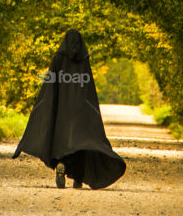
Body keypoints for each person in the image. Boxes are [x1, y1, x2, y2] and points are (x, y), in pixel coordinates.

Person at [11, 28, 126, 189]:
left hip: (62, 110)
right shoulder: (84, 59)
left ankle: (60, 163)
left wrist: (47, 106)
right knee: (81, 142)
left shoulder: (59, 58)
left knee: (62, 141)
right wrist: (91, 110)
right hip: (80, 110)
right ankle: (78, 178)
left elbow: (51, 85)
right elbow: (88, 87)